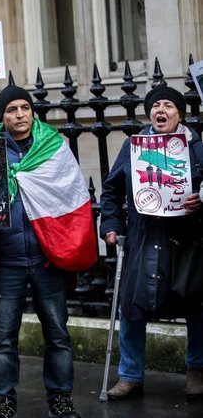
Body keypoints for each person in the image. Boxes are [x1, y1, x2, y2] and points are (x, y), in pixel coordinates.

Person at [0, 85, 84, 418]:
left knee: (58, 334)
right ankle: (4, 400)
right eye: (11, 110)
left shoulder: (54, 147)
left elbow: (70, 194)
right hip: (7, 261)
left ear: (32, 111)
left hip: (46, 258)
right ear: (1, 116)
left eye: (24, 108)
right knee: (4, 338)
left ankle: (61, 400)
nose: (19, 115)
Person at [100, 86, 203, 401]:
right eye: (155, 105)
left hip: (188, 238)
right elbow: (112, 190)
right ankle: (130, 375)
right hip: (145, 236)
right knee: (131, 306)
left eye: (168, 105)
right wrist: (112, 225)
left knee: (197, 305)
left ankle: (197, 370)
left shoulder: (196, 146)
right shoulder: (134, 146)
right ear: (149, 113)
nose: (161, 110)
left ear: (179, 113)